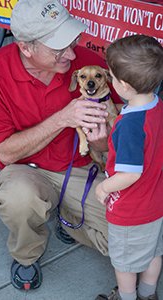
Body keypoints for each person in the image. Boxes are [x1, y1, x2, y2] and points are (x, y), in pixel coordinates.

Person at [0, 0, 123, 291]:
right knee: (17, 199)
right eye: (57, 48)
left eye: (72, 40)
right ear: (26, 47)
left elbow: (117, 130)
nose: (71, 53)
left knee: (129, 235)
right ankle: (27, 255)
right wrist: (62, 119)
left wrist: (101, 138)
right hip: (27, 169)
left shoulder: (87, 64)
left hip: (83, 167)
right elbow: (4, 151)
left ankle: (68, 220)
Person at [95, 34, 163, 300]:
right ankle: (149, 295)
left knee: (124, 263)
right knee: (154, 252)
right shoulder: (157, 106)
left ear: (123, 85)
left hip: (131, 209)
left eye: (111, 77)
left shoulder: (130, 125)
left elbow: (130, 173)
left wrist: (104, 187)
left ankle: (127, 298)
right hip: (155, 201)